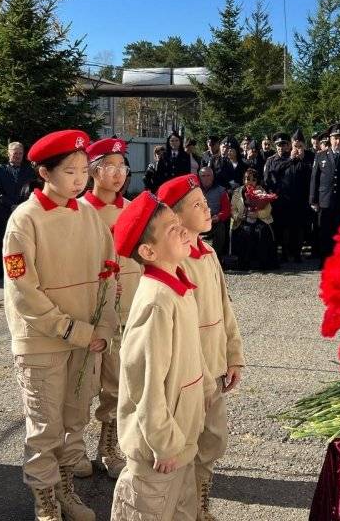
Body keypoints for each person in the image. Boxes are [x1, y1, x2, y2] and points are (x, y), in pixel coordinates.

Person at [3, 129, 116, 521]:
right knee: (45, 424)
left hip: (86, 341)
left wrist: (102, 326)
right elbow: (23, 290)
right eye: (70, 170)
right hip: (43, 342)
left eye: (85, 170)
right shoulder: (24, 220)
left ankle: (65, 488)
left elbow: (109, 272)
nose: (80, 178)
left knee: (73, 419)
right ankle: (45, 499)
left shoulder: (88, 214)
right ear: (43, 172)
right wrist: (72, 329)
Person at [110, 192, 215, 521]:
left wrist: (206, 389)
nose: (184, 229)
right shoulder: (156, 300)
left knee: (179, 510)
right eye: (172, 228)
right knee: (149, 510)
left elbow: (189, 357)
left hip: (182, 441)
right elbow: (144, 380)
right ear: (148, 251)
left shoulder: (177, 287)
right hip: (160, 450)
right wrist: (164, 441)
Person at [156, 174, 245, 520]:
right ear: (175, 217)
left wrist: (233, 356)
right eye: (197, 205)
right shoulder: (173, 262)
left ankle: (199, 500)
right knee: (186, 442)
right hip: (189, 375)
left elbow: (225, 309)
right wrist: (206, 375)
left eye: (204, 202)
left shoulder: (207, 252)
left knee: (213, 441)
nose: (207, 209)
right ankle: (183, 508)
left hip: (215, 369)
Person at [81, 137, 142, 480]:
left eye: (123, 167)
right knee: (80, 386)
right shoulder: (79, 212)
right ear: (93, 171)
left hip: (128, 312)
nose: (119, 174)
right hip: (88, 315)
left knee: (119, 384)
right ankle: (72, 450)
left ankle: (109, 446)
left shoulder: (133, 209)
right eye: (110, 167)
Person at [310, 123, 340, 263]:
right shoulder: (321, 155)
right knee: (324, 232)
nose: (338, 141)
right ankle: (325, 260)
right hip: (324, 200)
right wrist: (313, 200)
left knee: (339, 232)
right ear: (330, 139)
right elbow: (315, 178)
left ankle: (338, 261)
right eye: (335, 138)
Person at [0, 142, 35, 279]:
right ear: (8, 153)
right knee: (5, 241)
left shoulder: (29, 170)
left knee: (22, 242)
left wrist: (21, 206)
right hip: (5, 211)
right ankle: (2, 272)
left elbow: (33, 190)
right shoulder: (0, 170)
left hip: (24, 212)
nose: (17, 156)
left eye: (20, 153)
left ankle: (18, 273)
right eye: (14, 153)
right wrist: (11, 205)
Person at [264, 132, 308, 263]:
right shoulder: (271, 160)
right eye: (278, 145)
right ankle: (282, 253)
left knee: (296, 228)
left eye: (283, 144)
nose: (280, 147)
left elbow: (305, 175)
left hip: (296, 200)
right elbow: (268, 179)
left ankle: (296, 253)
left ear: (289, 145)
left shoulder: (297, 157)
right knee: (280, 228)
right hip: (279, 200)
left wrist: (300, 159)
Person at [230, 168, 277, 271]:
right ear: (244, 180)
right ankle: (244, 262)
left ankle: (262, 262)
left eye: (253, 179)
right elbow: (232, 209)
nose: (250, 182)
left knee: (261, 231)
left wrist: (257, 214)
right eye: (248, 179)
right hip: (243, 220)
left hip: (260, 219)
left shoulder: (261, 191)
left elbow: (268, 209)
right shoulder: (237, 192)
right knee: (245, 232)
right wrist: (238, 216)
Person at [198, 166, 230, 260]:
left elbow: (227, 210)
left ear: (212, 176)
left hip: (214, 221)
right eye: (203, 176)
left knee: (221, 228)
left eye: (208, 175)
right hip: (197, 221)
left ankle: (215, 257)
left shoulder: (221, 191)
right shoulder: (194, 190)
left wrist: (218, 217)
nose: (206, 178)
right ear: (199, 177)